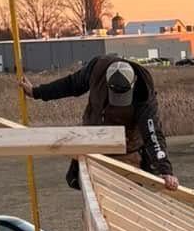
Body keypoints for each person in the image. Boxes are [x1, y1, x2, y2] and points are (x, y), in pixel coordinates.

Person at [23, 53, 179, 192]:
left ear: (133, 83)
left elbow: (152, 133)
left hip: (127, 151)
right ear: (106, 80)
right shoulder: (97, 68)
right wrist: (37, 92)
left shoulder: (144, 92)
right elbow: (70, 84)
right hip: (94, 146)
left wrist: (165, 170)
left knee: (126, 197)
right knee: (95, 197)